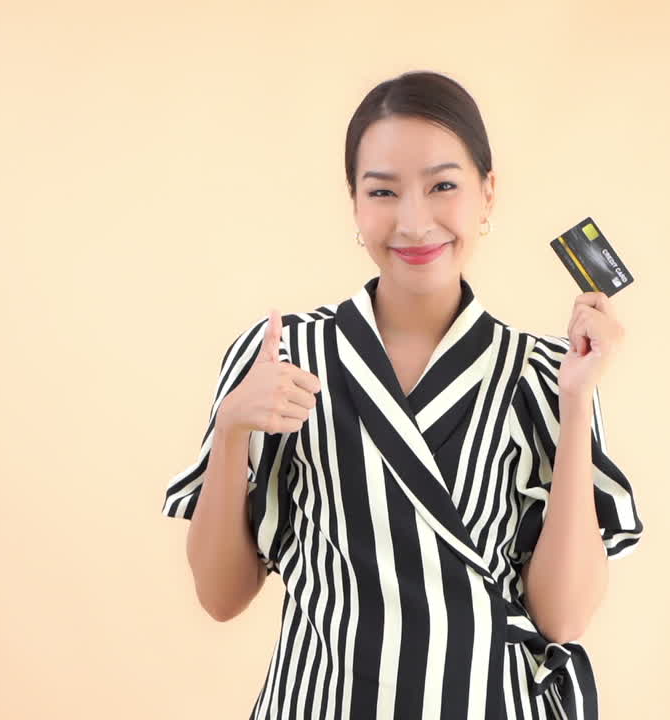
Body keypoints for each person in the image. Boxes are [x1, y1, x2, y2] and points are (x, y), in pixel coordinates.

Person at [160, 70, 644, 720]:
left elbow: (565, 618)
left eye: (443, 185)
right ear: (355, 203)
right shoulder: (285, 354)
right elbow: (221, 597)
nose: (414, 222)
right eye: (383, 191)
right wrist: (231, 428)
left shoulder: (543, 373)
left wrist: (578, 401)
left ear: (487, 193)